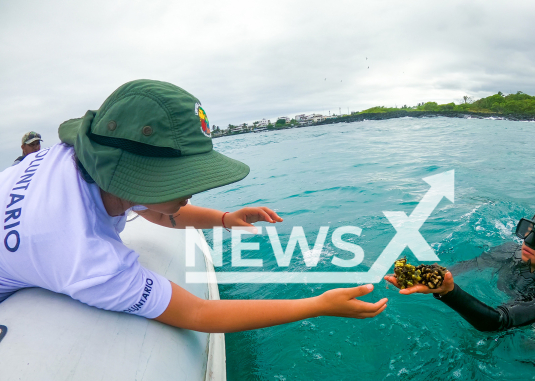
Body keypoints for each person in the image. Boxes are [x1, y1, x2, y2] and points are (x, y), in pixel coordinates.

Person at [0, 79, 387, 332]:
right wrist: (316, 305)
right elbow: (199, 314)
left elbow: (151, 207)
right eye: (183, 179)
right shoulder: (86, 257)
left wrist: (223, 218)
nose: (193, 189)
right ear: (135, 178)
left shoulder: (81, 161)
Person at [385, 207, 535, 331]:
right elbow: (470, 265)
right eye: (529, 230)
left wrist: (449, 292)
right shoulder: (509, 251)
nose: (528, 240)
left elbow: (498, 322)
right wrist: (431, 277)